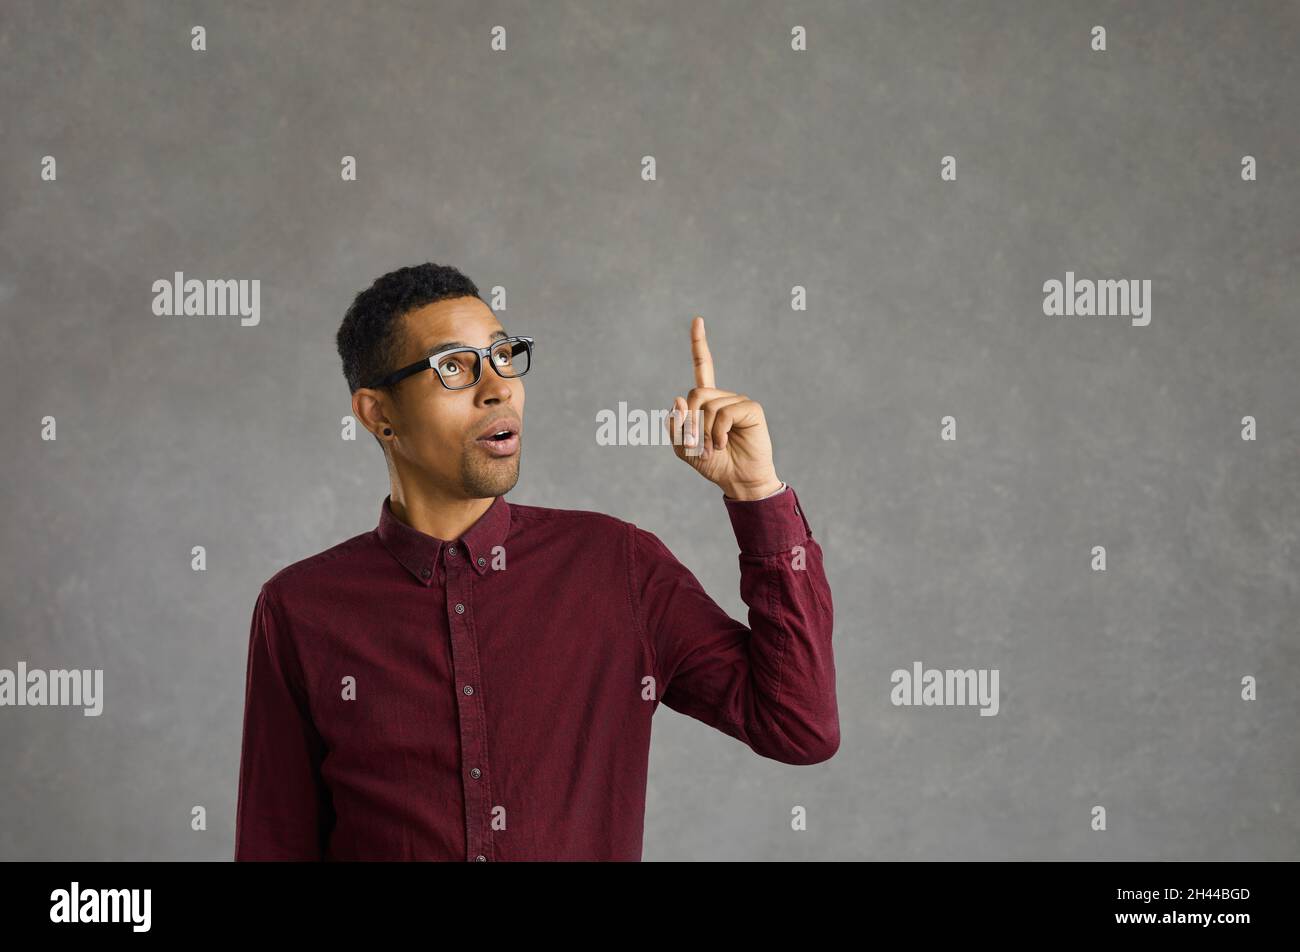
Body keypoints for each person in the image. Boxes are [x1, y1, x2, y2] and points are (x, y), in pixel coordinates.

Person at [234, 262, 838, 861]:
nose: (497, 386)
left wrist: (758, 494)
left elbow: (797, 727)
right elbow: (274, 842)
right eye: (453, 367)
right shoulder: (300, 608)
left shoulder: (615, 566)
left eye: (503, 356)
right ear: (377, 413)